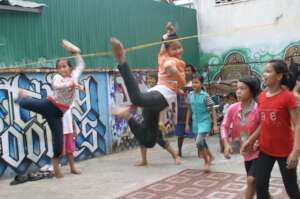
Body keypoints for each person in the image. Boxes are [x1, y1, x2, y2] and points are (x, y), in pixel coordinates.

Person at [110, 22, 185, 152]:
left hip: (157, 98)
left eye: (179, 47)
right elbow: (169, 63)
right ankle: (122, 60)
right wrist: (172, 69)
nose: (178, 50)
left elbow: (182, 82)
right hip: (161, 96)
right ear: (167, 51)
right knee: (137, 99)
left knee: (149, 141)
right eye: (174, 49)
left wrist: (171, 33)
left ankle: (127, 116)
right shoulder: (167, 59)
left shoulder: (171, 60)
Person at [14, 40, 85, 178]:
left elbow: (81, 64)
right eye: (60, 67)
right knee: (27, 103)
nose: (62, 69)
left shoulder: (74, 75)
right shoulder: (57, 77)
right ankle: (21, 97)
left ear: (70, 68)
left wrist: (75, 53)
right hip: (50, 106)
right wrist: (73, 84)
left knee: (59, 144)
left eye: (65, 66)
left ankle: (57, 169)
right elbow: (57, 86)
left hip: (57, 115)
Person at [241, 60, 300, 199]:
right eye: (264, 71)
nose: (264, 74)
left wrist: (296, 151)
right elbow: (264, 123)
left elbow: (297, 124)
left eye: (268, 71)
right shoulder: (261, 97)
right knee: (260, 187)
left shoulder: (287, 97)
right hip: (265, 150)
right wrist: (251, 140)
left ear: (279, 76)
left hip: (286, 151)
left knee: (292, 190)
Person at [221, 75, 267, 199]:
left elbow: (266, 126)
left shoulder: (259, 108)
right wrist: (226, 145)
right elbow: (224, 126)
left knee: (251, 180)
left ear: (252, 91)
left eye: (243, 88)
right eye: (237, 88)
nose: (238, 91)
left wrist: (257, 141)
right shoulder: (233, 108)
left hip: (262, 150)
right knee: (259, 188)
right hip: (247, 152)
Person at [135, 72, 180, 166]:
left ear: (157, 81)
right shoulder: (149, 91)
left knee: (160, 140)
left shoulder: (159, 93)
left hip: (154, 120)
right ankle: (144, 160)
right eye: (148, 79)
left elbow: (161, 108)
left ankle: (176, 156)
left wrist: (160, 120)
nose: (150, 80)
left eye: (152, 79)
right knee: (141, 138)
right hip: (146, 118)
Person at [185, 75, 218, 172]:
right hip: (195, 122)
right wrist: (187, 123)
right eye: (193, 82)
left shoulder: (205, 96)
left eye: (196, 82)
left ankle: (206, 162)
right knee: (202, 142)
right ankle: (211, 156)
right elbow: (189, 110)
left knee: (199, 141)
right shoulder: (190, 95)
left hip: (205, 121)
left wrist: (215, 124)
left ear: (201, 84)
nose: (194, 84)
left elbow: (213, 109)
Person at [175, 64, 196, 157]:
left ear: (192, 72)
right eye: (185, 70)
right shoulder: (179, 84)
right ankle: (179, 151)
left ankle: (200, 151)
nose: (186, 72)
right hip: (181, 112)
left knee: (196, 133)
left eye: (188, 70)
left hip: (193, 112)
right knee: (180, 134)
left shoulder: (195, 83)